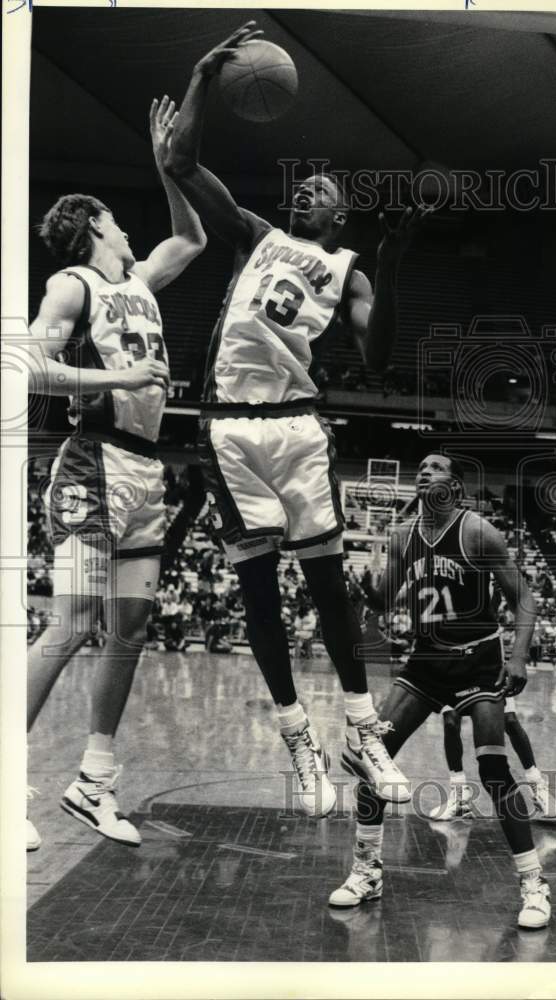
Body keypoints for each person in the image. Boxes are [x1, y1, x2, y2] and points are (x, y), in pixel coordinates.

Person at [165, 21, 430, 818]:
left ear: (343, 212)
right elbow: (180, 161)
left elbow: (378, 357)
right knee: (253, 586)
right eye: (303, 183)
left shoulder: (348, 266)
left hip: (298, 425)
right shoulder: (257, 234)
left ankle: (360, 730)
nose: (308, 187)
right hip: (228, 427)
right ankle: (295, 737)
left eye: (324, 186)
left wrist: (388, 264)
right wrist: (205, 77)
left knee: (326, 585)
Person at [26, 96, 207, 851]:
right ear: (98, 222)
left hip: (143, 475)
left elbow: (190, 237)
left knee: (127, 631)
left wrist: (168, 166)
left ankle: (92, 780)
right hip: (92, 466)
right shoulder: (75, 283)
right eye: (118, 220)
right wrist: (120, 380)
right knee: (70, 623)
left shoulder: (138, 284)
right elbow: (31, 366)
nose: (131, 232)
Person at [329, 454, 552, 930]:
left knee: (493, 768)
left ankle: (534, 883)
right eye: (421, 466)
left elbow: (525, 598)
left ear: (454, 484)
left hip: (478, 661)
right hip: (426, 661)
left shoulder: (477, 532)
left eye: (435, 466)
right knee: (375, 754)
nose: (424, 470)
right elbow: (384, 599)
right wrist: (355, 584)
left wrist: (517, 657)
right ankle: (367, 870)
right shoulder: (403, 536)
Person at [430, 697, 556, 821]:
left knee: (509, 720)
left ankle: (537, 786)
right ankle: (459, 797)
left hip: (488, 674)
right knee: (450, 722)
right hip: (455, 674)